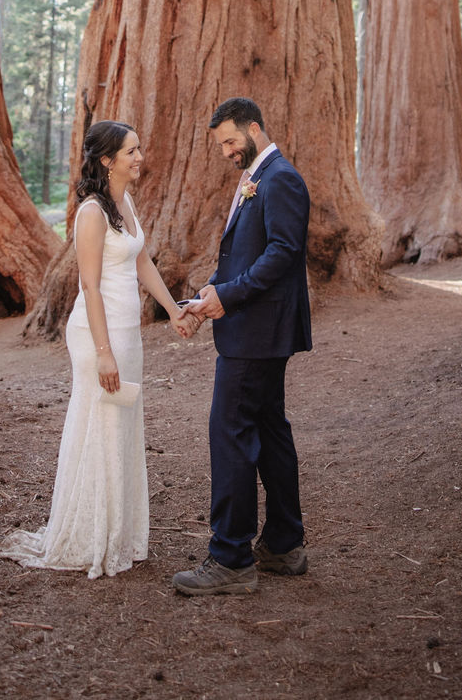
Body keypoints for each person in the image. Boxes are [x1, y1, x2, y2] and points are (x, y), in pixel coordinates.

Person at [0, 120, 194, 579]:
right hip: (97, 335)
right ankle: (90, 535)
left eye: (139, 148)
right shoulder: (91, 212)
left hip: (128, 332)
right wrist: (104, 352)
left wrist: (174, 310)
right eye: (131, 151)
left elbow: (141, 260)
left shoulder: (125, 202)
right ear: (107, 160)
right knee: (100, 424)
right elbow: (88, 284)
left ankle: (118, 531)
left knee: (120, 425)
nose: (140, 156)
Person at [172, 97, 312, 595]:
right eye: (221, 145)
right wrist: (207, 294)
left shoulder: (280, 178)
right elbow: (241, 256)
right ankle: (282, 545)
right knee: (269, 429)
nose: (228, 151)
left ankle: (230, 557)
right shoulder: (260, 175)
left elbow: (282, 256)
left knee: (229, 432)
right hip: (255, 328)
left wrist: (227, 299)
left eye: (231, 140)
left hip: (258, 333)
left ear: (254, 127)